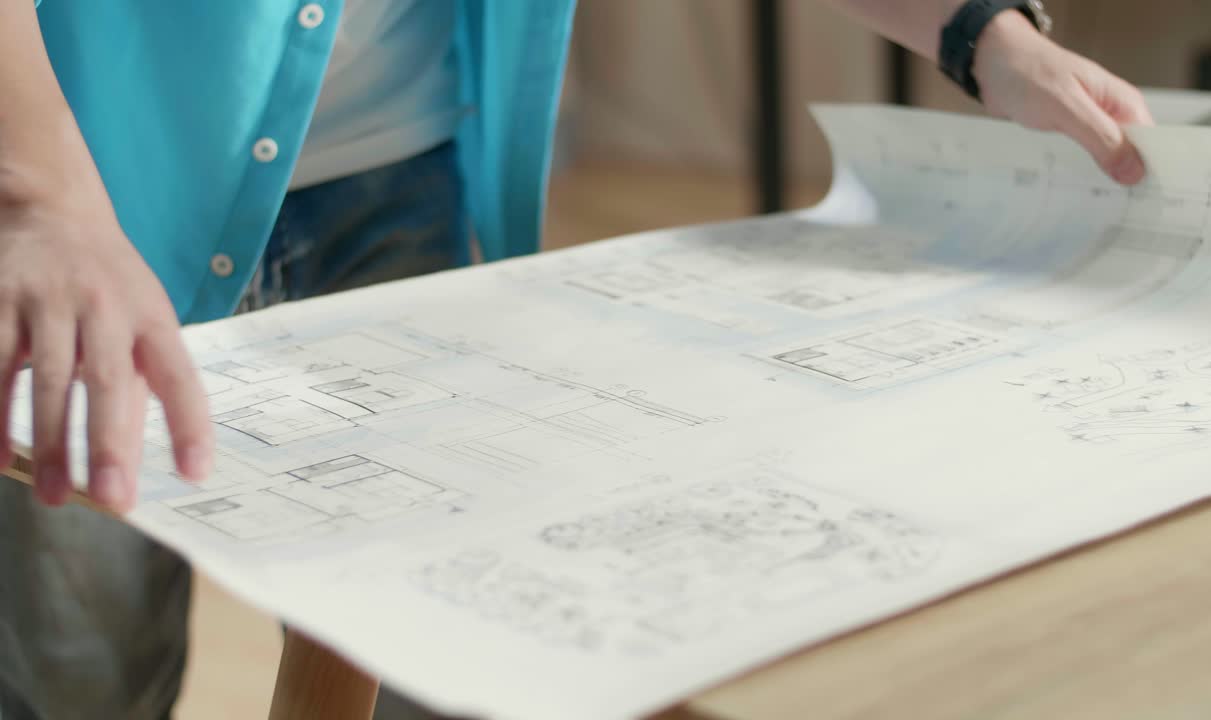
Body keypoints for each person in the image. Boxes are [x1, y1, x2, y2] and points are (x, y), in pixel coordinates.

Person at [0, 1, 1152, 717]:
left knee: (436, 637)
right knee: (77, 666)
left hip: (404, 170)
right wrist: (37, 197)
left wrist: (978, 32)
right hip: (85, 185)